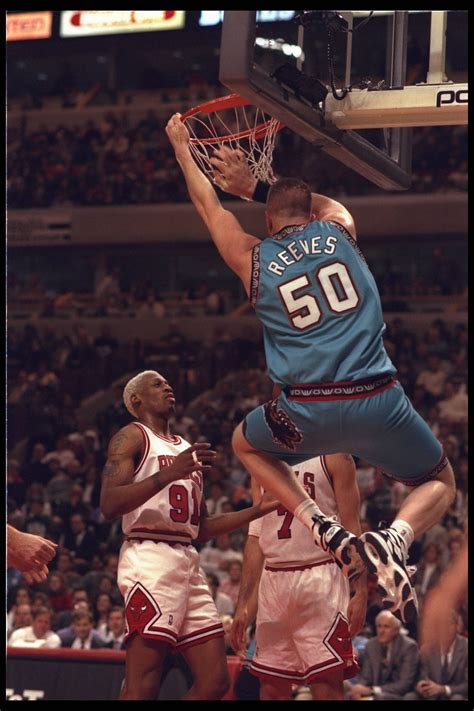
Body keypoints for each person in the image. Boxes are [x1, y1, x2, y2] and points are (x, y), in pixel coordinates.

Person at [165, 117, 456, 624]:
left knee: (244, 444)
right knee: (441, 482)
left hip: (306, 411)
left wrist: (182, 151)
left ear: (268, 219)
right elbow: (320, 204)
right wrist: (254, 186)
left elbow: (208, 208)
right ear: (309, 210)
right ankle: (394, 538)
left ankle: (323, 528)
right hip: (379, 399)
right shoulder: (341, 227)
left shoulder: (253, 259)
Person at [99, 369, 278, 701]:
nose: (167, 386)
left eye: (168, 383)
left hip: (187, 559)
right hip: (149, 557)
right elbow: (108, 504)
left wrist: (258, 510)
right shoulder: (132, 436)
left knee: (215, 682)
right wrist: (170, 473)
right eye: (157, 384)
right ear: (136, 399)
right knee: (143, 682)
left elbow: (203, 527)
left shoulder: (184, 448)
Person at [231, 454, 366, 701]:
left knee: (326, 686)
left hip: (321, 573)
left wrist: (360, 591)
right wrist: (242, 605)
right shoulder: (260, 458)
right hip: (274, 578)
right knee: (271, 687)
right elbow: (255, 537)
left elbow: (352, 528)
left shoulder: (335, 455)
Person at [350, 611, 419, 700]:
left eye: (386, 627)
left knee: (380, 698)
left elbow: (404, 684)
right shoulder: (371, 645)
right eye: (379, 626)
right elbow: (366, 678)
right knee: (350, 695)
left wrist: (372, 690)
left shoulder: (409, 647)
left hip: (400, 694)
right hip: (375, 692)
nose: (381, 631)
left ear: (396, 630)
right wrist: (359, 689)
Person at [404, 609, 468, 701]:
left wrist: (443, 689)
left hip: (455, 694)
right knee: (410, 697)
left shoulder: (466, 647)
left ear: (457, 626)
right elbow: (422, 675)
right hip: (431, 694)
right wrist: (421, 685)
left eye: (449, 623)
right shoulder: (426, 649)